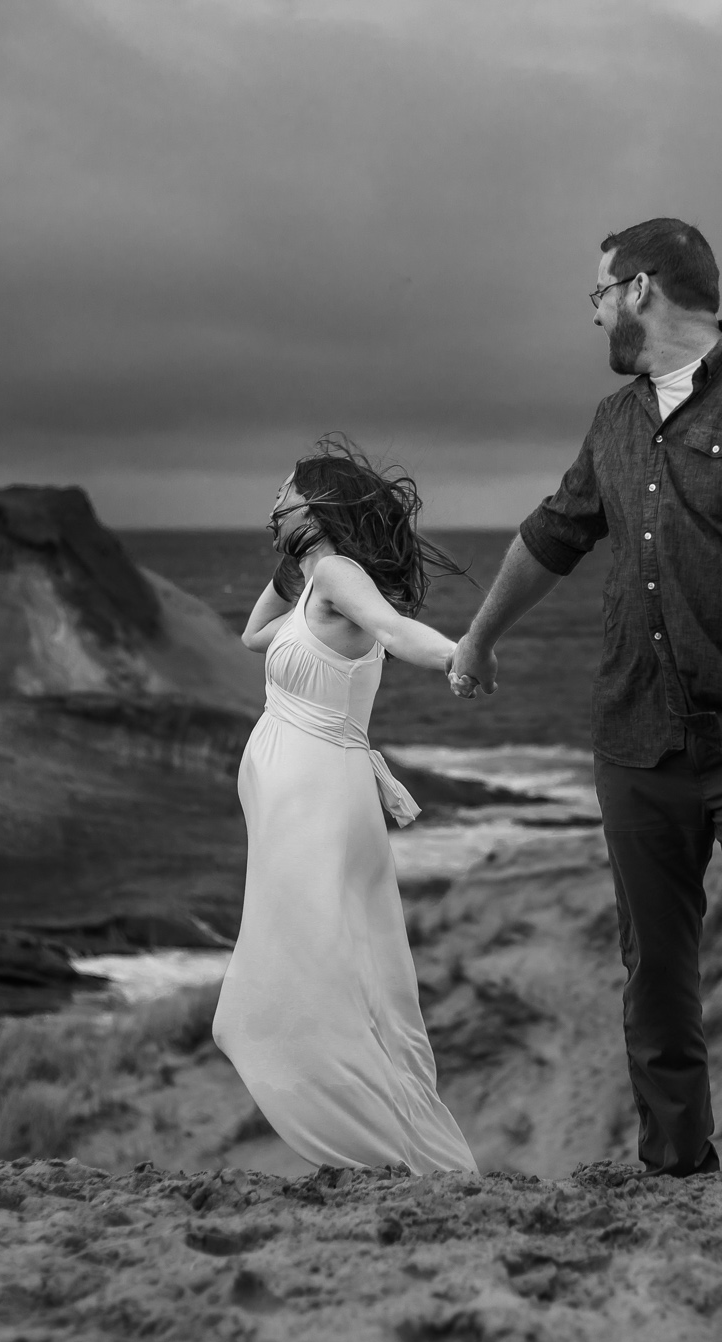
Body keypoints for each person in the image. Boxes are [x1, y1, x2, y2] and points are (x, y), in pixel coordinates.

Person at [448, 219, 722, 1182]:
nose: (593, 312)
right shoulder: (615, 420)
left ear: (640, 289)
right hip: (636, 741)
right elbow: (554, 533)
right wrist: (479, 636)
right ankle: (677, 1170)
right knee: (658, 973)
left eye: (598, 293)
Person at [213, 435, 476, 1174]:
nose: (273, 499)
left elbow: (393, 629)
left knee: (318, 975)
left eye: (286, 489)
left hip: (320, 797)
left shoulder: (336, 571)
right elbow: (253, 636)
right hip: (296, 794)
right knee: (330, 969)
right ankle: (389, 1140)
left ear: (317, 504)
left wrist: (458, 656)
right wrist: (288, 559)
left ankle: (384, 1146)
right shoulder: (312, 578)